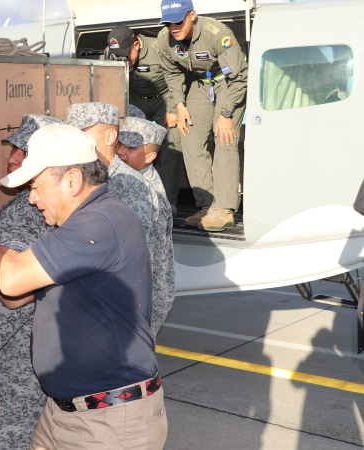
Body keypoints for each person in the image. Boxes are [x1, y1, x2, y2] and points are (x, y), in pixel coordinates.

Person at [0, 123, 167, 450]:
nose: (32, 198)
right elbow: (15, 295)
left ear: (72, 180)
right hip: (66, 413)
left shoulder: (100, 221)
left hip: (108, 423)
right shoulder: (84, 222)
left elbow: (12, 279)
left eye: (37, 186)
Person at [0, 114, 61, 450]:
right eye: (14, 147)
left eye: (24, 151)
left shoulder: (23, 212)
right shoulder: (50, 206)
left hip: (11, 370)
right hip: (40, 363)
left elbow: (8, 300)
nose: (13, 157)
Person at [66, 102, 172, 336]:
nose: (75, 141)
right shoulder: (89, 178)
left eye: (82, 133)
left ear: (109, 135)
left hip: (122, 317)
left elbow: (134, 265)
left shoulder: (130, 187)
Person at [158, 0, 248, 232]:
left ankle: (225, 209)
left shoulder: (217, 33)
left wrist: (226, 113)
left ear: (192, 15)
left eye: (178, 21)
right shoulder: (164, 39)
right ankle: (207, 206)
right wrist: (179, 104)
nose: (173, 27)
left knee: (224, 137)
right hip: (200, 86)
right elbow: (171, 73)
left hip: (228, 84)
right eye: (168, 23)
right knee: (189, 137)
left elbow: (239, 77)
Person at [106, 25, 185, 214]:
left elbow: (176, 76)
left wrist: (174, 107)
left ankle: (167, 202)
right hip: (135, 99)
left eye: (126, 55)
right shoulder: (113, 50)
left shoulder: (159, 47)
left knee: (170, 146)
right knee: (127, 144)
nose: (122, 60)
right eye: (119, 56)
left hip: (162, 98)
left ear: (136, 45)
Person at [116, 116, 176, 334]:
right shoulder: (127, 177)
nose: (121, 151)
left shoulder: (143, 193)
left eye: (131, 147)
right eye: (119, 143)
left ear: (150, 157)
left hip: (139, 307)